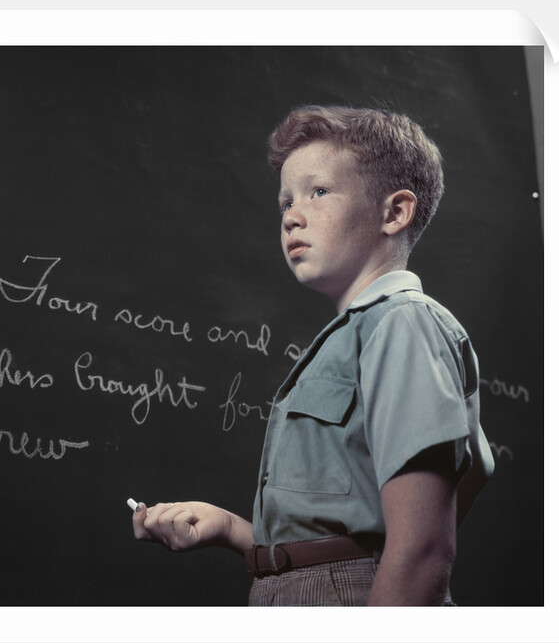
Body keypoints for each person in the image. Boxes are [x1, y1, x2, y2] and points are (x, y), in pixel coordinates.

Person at [131, 104, 494, 606]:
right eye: (286, 202)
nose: (291, 216)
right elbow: (339, 539)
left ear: (394, 212)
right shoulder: (355, 334)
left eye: (318, 192)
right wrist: (231, 529)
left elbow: (421, 549)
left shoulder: (401, 322)